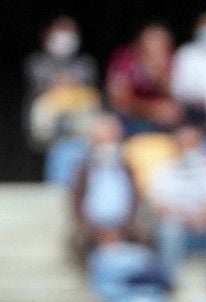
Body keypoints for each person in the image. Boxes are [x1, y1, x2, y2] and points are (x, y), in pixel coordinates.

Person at [148, 125, 206, 285]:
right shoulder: (164, 169)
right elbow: (159, 205)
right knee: (169, 230)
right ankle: (169, 281)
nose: (188, 147)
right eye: (184, 143)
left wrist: (204, 216)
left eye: (192, 143)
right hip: (178, 218)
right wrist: (188, 217)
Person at [69, 114, 138, 265]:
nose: (107, 144)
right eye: (102, 139)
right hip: (93, 228)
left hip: (124, 227)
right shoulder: (83, 169)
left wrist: (122, 229)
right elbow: (76, 202)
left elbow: (134, 200)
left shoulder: (126, 167)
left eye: (112, 138)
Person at [25, 16, 100, 148]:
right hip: (49, 116)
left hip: (78, 113)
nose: (65, 39)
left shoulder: (86, 63)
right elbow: (39, 83)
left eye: (69, 34)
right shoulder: (36, 62)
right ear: (47, 35)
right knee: (41, 111)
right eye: (60, 32)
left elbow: (87, 87)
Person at [106, 23, 183, 134]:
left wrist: (158, 78)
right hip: (129, 119)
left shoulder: (176, 60)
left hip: (166, 123)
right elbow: (117, 100)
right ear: (139, 46)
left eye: (161, 46)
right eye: (150, 45)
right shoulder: (125, 59)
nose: (155, 50)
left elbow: (179, 100)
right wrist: (152, 110)